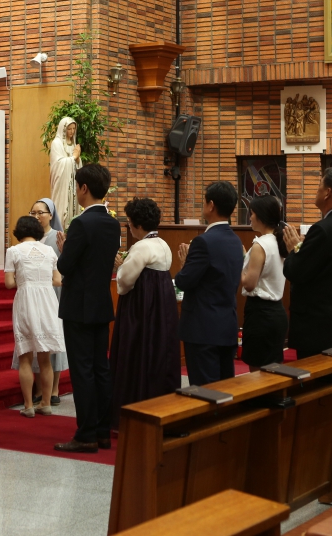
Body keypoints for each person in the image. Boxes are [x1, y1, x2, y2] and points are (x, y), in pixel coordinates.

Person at [53, 164, 120, 454]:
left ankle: (86, 434)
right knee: (100, 368)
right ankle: (103, 432)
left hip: (79, 306)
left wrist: (64, 249)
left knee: (82, 371)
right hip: (101, 303)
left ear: (83, 188)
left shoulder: (81, 223)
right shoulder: (112, 223)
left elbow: (65, 265)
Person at [109, 197, 178, 430]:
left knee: (136, 354)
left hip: (141, 309)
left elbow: (125, 281)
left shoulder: (141, 247)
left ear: (137, 224)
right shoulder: (163, 244)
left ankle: (133, 414)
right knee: (158, 354)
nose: (129, 226)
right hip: (162, 310)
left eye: (129, 222)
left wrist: (119, 267)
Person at [281, 167, 332, 359]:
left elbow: (295, 271)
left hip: (319, 327)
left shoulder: (323, 229)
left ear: (327, 192)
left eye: (319, 185)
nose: (316, 190)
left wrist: (294, 248)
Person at [174, 181, 244, 386]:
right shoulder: (236, 240)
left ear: (211, 205)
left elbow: (184, 281)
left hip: (203, 329)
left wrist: (184, 265)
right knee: (225, 388)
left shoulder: (203, 241)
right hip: (226, 325)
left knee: (205, 391)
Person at [9, 198, 68, 406]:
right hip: (41, 295)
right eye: (33, 213)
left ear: (51, 215)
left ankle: (53, 390)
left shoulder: (57, 237)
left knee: (49, 345)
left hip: (51, 295)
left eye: (40, 212)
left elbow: (62, 271)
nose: (36, 216)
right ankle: (39, 392)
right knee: (37, 347)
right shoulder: (30, 245)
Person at [238, 195, 289, 371]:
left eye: (252, 213)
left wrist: (238, 264)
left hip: (260, 315)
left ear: (261, 215)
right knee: (273, 370)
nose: (250, 217)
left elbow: (249, 284)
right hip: (277, 312)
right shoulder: (278, 241)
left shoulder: (260, 245)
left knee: (258, 372)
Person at [49, 117, 82, 227]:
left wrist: (77, 159)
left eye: (73, 129)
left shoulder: (73, 144)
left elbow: (78, 166)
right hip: (61, 184)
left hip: (73, 183)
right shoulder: (57, 143)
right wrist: (74, 157)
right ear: (63, 129)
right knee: (61, 209)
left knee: (73, 210)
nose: (72, 131)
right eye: (69, 129)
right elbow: (58, 164)